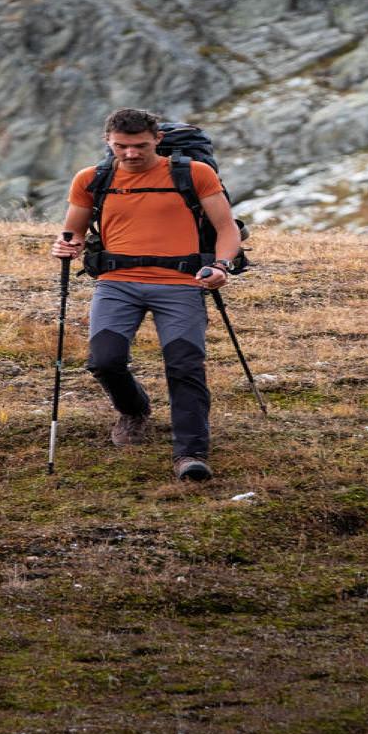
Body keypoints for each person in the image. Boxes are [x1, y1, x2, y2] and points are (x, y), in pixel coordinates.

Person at [51, 107, 243, 482]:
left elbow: (227, 228)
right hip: (116, 283)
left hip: (181, 283)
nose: (131, 154)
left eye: (140, 145)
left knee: (185, 365)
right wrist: (64, 246)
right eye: (121, 146)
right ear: (108, 142)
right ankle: (135, 411)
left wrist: (220, 266)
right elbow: (71, 233)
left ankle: (190, 454)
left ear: (158, 140)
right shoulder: (92, 179)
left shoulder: (194, 174)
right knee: (104, 361)